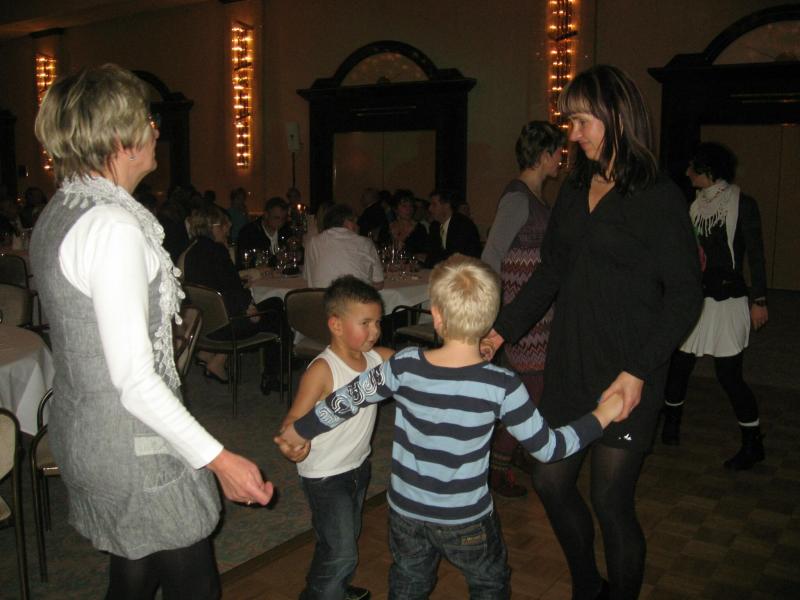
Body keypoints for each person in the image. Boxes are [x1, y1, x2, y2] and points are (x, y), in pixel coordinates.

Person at [29, 63, 273, 599]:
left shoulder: (62, 208)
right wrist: (220, 459)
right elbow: (135, 381)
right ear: (121, 139)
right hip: (132, 445)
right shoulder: (112, 225)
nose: (155, 129)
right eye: (146, 119)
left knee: (135, 571)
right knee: (194, 586)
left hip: (88, 427)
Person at [277, 254, 624, 599]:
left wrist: (299, 431)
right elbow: (550, 448)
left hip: (406, 513)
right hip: (466, 518)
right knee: (489, 584)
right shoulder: (502, 385)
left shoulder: (404, 366)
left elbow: (346, 400)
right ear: (490, 319)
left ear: (437, 316)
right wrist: (602, 415)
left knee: (409, 584)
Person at [482, 65, 703, 599]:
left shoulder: (658, 195)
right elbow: (551, 272)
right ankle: (588, 586)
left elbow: (685, 295)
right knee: (550, 479)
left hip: (630, 368)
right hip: (572, 362)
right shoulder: (577, 186)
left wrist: (638, 371)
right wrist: (499, 332)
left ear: (617, 117)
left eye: (582, 121)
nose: (573, 134)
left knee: (611, 501)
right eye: (571, 122)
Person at [279, 276, 393, 600]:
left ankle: (334, 587)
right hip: (325, 475)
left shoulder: (376, 359)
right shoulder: (323, 370)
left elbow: (413, 363)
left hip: (358, 467)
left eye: (378, 322)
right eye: (365, 323)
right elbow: (293, 421)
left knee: (342, 538)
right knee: (342, 550)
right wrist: (292, 447)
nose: (375, 331)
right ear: (336, 325)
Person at [662, 142, 768, 470]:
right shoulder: (693, 206)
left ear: (707, 171)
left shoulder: (742, 204)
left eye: (692, 168)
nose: (687, 173)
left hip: (729, 299)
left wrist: (759, 300)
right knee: (680, 364)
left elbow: (756, 255)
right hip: (697, 297)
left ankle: (753, 444)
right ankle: (670, 427)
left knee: (729, 375)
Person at [482, 121, 566, 498]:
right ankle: (497, 467)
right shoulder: (518, 199)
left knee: (532, 387)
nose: (562, 158)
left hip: (536, 314)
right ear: (544, 155)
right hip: (521, 316)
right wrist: (493, 316)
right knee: (531, 390)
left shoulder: (535, 196)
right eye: (558, 151)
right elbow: (492, 256)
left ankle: (513, 453)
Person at [182, 205, 285, 392]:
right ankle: (273, 375)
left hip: (204, 324)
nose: (228, 230)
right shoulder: (218, 251)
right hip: (226, 326)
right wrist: (249, 306)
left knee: (261, 305)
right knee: (277, 306)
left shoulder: (191, 251)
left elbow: (217, 285)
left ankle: (214, 356)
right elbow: (234, 291)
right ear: (214, 227)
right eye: (225, 226)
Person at [304, 204, 384, 289]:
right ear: (346, 222)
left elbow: (310, 280)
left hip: (322, 296)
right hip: (355, 296)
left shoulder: (312, 243)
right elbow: (379, 283)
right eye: (354, 222)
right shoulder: (365, 243)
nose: (357, 226)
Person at [424, 189, 481, 267]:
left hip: (465, 270)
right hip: (444, 269)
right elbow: (432, 253)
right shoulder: (435, 226)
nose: (430, 208)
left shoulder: (463, 225)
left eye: (434, 204)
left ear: (446, 205)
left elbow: (455, 255)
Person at [236, 196, 294, 267]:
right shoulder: (249, 233)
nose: (280, 222)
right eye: (277, 218)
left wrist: (297, 255)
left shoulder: (286, 230)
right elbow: (245, 261)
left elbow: (297, 249)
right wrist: (275, 259)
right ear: (266, 215)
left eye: (283, 219)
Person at [377, 189, 428, 258]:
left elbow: (424, 254)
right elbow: (379, 249)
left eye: (411, 206)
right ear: (395, 209)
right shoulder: (387, 228)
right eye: (404, 206)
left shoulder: (419, 229)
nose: (409, 209)